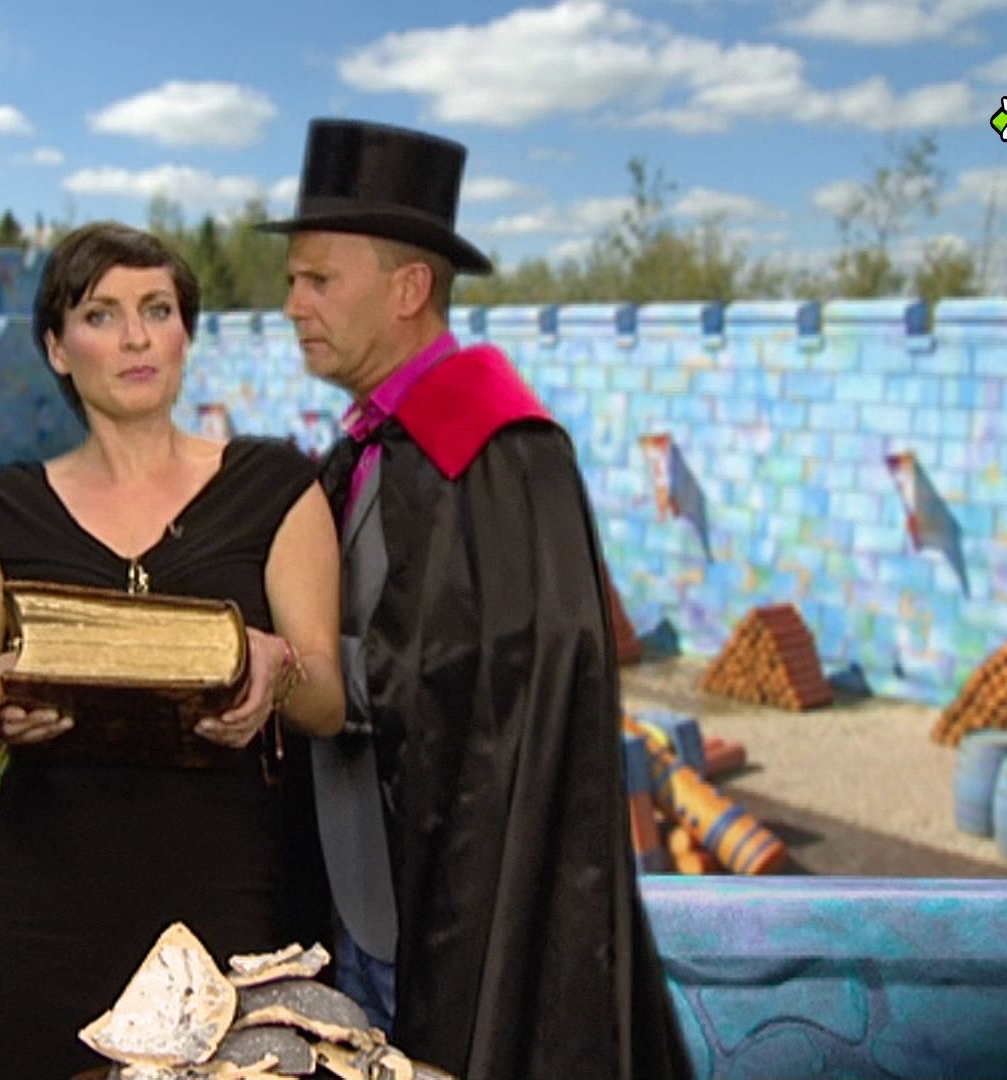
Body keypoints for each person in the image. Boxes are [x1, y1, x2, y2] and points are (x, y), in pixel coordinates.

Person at [260, 119, 695, 1079]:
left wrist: (299, 671)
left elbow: (496, 682)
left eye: (318, 279)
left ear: (409, 288)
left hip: (447, 909)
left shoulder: (501, 455)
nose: (292, 304)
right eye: (292, 280)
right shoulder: (369, 447)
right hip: (356, 909)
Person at [0, 221, 344, 1079]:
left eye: (157, 310)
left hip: (230, 915)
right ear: (57, 348)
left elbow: (328, 702)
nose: (135, 337)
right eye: (101, 314)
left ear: (185, 335)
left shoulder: (276, 489)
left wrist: (276, 668)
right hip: (40, 925)